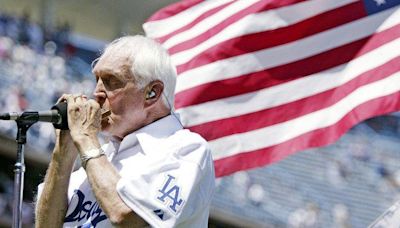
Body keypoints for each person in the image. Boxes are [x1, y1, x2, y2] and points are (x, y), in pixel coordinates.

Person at [35, 35, 216, 227]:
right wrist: (63, 153)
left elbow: (127, 217)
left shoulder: (186, 149)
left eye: (112, 81)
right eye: (97, 79)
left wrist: (86, 138)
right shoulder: (102, 155)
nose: (97, 92)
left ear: (152, 93)